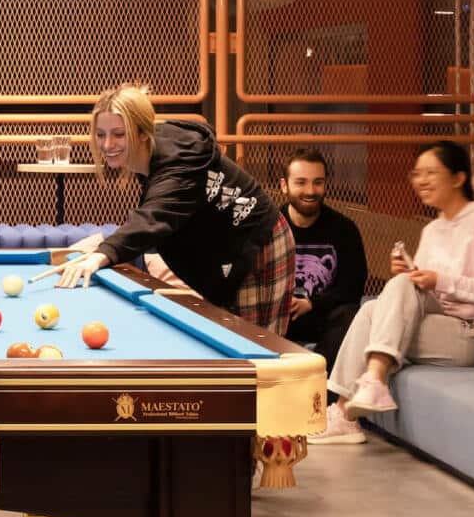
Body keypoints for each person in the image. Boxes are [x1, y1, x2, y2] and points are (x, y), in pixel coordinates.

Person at [309, 142, 474, 447]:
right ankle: (348, 405)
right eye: (416, 173)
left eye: (431, 172)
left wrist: (438, 280)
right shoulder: (433, 229)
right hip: (441, 321)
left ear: (459, 177)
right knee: (375, 306)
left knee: (384, 305)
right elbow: (423, 289)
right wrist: (414, 275)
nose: (421, 181)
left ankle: (364, 391)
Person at [55, 84, 295, 335]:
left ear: (142, 132)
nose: (107, 144)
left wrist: (101, 254)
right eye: (101, 134)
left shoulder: (176, 165)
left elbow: (152, 218)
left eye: (119, 134)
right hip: (229, 249)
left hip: (258, 241)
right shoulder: (152, 155)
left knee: (255, 345)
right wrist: (103, 247)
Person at [280, 149, 369, 371]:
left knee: (351, 314)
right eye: (301, 182)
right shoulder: (268, 226)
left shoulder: (344, 229)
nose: (310, 191)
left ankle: (318, 377)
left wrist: (312, 303)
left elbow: (352, 287)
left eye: (317, 182)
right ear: (284, 185)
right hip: (278, 317)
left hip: (323, 318)